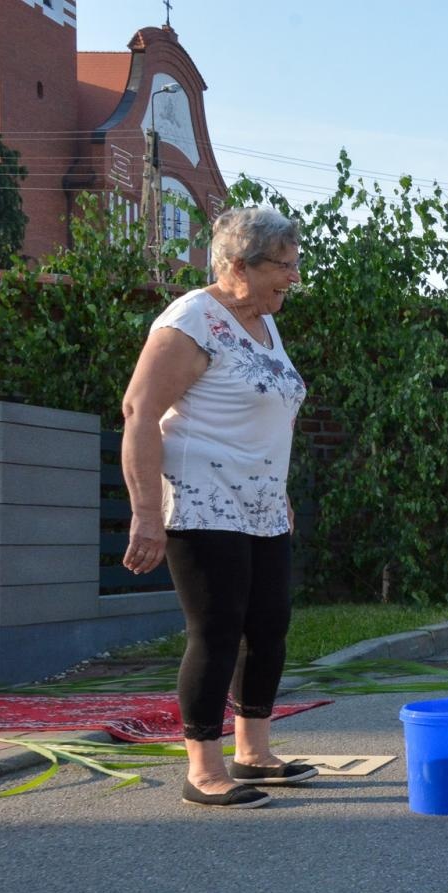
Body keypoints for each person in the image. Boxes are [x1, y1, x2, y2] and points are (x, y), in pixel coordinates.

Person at [121, 206, 316, 809]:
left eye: (295, 264)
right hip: (203, 500)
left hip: (261, 503)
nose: (293, 277)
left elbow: (261, 415)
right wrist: (148, 513)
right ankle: (203, 768)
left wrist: (275, 484)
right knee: (218, 631)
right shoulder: (191, 320)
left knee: (268, 628)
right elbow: (139, 412)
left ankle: (253, 751)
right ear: (237, 264)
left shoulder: (263, 322)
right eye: (282, 266)